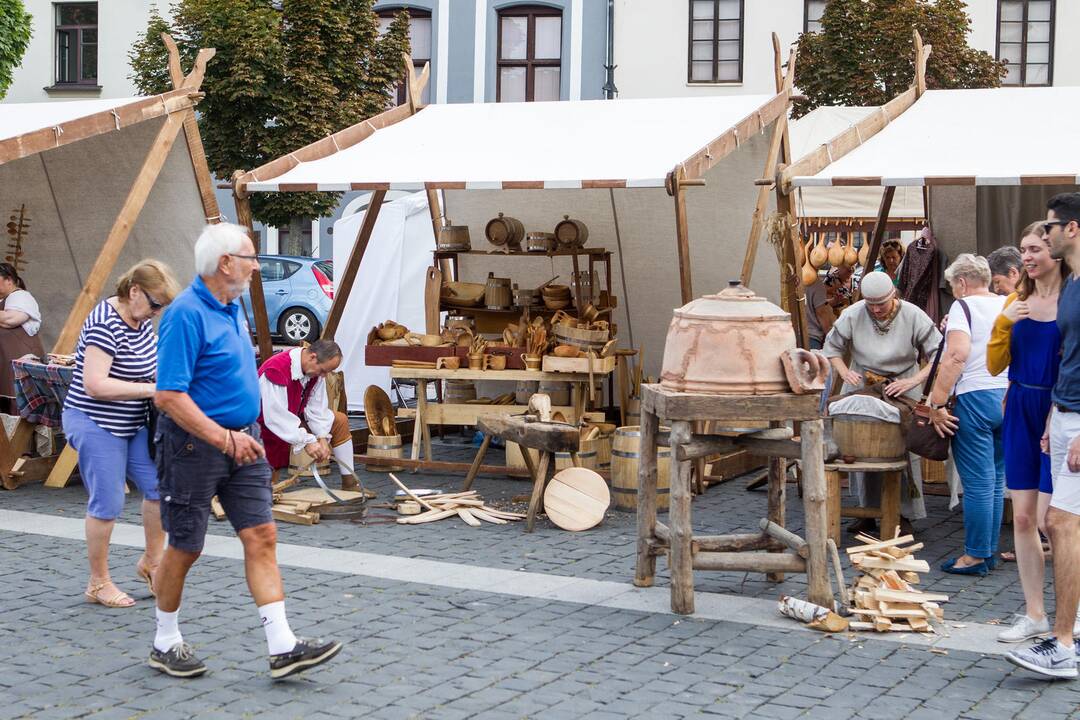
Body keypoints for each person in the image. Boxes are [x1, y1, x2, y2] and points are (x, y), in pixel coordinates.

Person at [151, 223, 341, 679]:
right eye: (251, 257)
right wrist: (223, 438)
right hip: (195, 446)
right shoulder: (185, 314)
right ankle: (165, 640)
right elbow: (169, 396)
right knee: (186, 546)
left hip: (245, 440)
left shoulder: (232, 306)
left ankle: (283, 645)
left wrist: (242, 434)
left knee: (262, 537)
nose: (258, 266)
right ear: (225, 263)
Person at [62, 261, 180, 608]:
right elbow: (95, 384)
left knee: (160, 488)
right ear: (133, 292)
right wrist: (150, 389)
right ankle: (98, 583)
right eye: (155, 304)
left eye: (162, 307)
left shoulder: (140, 321)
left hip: (130, 423)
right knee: (109, 502)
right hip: (94, 422)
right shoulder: (104, 323)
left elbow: (151, 362)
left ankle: (152, 562)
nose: (158, 312)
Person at [987, 223, 1073, 641]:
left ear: (1055, 252)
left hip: (1058, 411)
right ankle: (1035, 613)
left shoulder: (1072, 302)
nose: (1027, 256)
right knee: (1022, 518)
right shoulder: (1014, 302)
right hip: (1020, 405)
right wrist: (1003, 323)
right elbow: (992, 365)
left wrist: (1061, 412)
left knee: (1052, 521)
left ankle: (1068, 614)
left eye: (1035, 248)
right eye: (1023, 249)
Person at [1007, 192, 1080, 679]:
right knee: (1056, 522)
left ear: (1070, 230)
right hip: (1061, 413)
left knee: (1060, 523)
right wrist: (1059, 414)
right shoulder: (1074, 287)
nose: (1044, 236)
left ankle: (1061, 642)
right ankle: (1060, 633)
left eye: (1050, 228)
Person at [822, 270, 942, 534]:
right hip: (864, 383)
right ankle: (867, 509)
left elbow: (938, 354)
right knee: (860, 446)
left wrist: (913, 382)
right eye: (870, 304)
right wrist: (844, 372)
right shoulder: (853, 313)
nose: (875, 310)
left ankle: (904, 513)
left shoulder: (912, 314)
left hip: (903, 384)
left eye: (881, 304)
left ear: (893, 296)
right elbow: (832, 348)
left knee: (902, 447)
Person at [927, 254, 1008, 576]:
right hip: (1007, 395)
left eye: (951, 284)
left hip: (975, 395)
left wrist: (937, 401)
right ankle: (987, 552)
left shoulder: (962, 307)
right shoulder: (1006, 304)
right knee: (995, 478)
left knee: (977, 482)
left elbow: (957, 355)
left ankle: (975, 556)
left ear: (961, 282)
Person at [257, 339, 362, 491]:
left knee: (339, 421)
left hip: (294, 417)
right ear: (312, 357)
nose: (324, 376)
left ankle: (350, 484)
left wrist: (322, 437)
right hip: (264, 424)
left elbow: (317, 408)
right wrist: (307, 442)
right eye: (323, 370)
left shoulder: (315, 373)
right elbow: (275, 416)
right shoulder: (276, 370)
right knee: (264, 488)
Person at [0, 262, 44, 410]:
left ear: (9, 280)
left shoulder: (21, 296)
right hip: (5, 360)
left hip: (19, 360)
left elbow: (10, 320)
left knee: (18, 401)